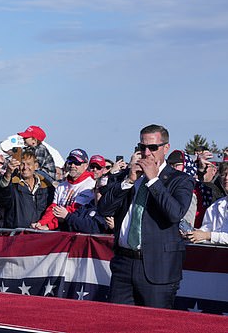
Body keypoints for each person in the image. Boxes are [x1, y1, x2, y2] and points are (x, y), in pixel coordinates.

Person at [98, 124, 194, 309]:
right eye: (142, 147)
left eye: (153, 147)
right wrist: (128, 181)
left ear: (166, 148)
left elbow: (175, 214)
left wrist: (154, 181)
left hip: (158, 267)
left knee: (154, 325)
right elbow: (104, 209)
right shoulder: (128, 175)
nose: (147, 152)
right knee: (117, 323)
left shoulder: (180, 180)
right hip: (124, 264)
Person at [32, 149, 95, 231]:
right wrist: (41, 223)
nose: (72, 165)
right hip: (60, 229)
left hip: (76, 230)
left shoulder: (90, 185)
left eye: (77, 163)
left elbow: (75, 211)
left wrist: (49, 226)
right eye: (70, 161)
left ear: (86, 165)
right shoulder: (61, 186)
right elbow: (52, 208)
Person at [0, 150, 55, 229]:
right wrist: (8, 174)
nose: (25, 168)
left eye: (28, 164)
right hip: (16, 236)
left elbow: (52, 210)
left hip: (40, 236)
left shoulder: (47, 187)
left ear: (36, 166)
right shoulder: (12, 184)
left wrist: (46, 225)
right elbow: (1, 198)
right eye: (22, 164)